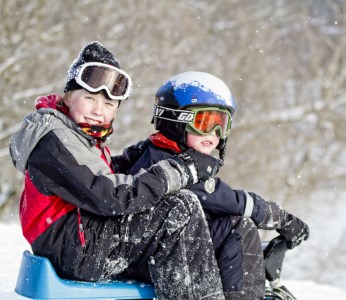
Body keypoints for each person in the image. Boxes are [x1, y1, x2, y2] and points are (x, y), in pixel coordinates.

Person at [9, 42, 227, 300]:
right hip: (73, 249)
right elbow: (109, 196)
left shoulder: (72, 135)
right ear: (68, 96)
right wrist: (183, 168)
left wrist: (137, 154)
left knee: (172, 228)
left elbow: (92, 176)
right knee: (179, 207)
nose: (98, 111)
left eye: (109, 104)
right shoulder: (54, 139)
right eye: (89, 98)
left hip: (73, 239)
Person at [128, 71, 310, 299]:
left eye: (220, 125)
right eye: (204, 123)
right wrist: (282, 219)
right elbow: (226, 200)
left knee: (230, 228)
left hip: (161, 250)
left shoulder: (164, 155)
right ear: (175, 121)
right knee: (237, 227)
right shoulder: (167, 164)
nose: (214, 134)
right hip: (154, 256)